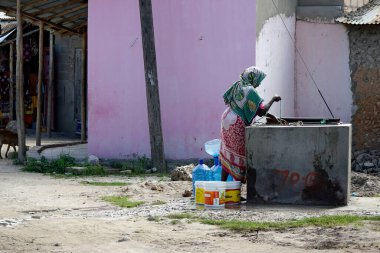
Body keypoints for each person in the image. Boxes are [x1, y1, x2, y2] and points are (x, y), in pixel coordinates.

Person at [219, 66, 281, 183]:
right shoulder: (250, 91)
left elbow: (248, 108)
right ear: (254, 78)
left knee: (228, 154)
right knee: (238, 157)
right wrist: (273, 98)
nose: (258, 85)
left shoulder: (239, 84)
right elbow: (261, 111)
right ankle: (235, 192)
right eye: (258, 81)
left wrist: (269, 116)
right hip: (236, 123)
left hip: (227, 118)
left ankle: (224, 188)